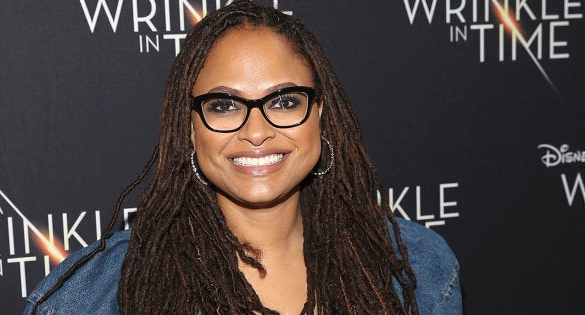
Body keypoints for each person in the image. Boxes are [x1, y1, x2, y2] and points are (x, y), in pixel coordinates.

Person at [24, 1, 461, 314]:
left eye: (286, 102)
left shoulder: (419, 266)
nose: (256, 131)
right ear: (188, 125)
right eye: (224, 105)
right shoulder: (93, 296)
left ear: (320, 114)